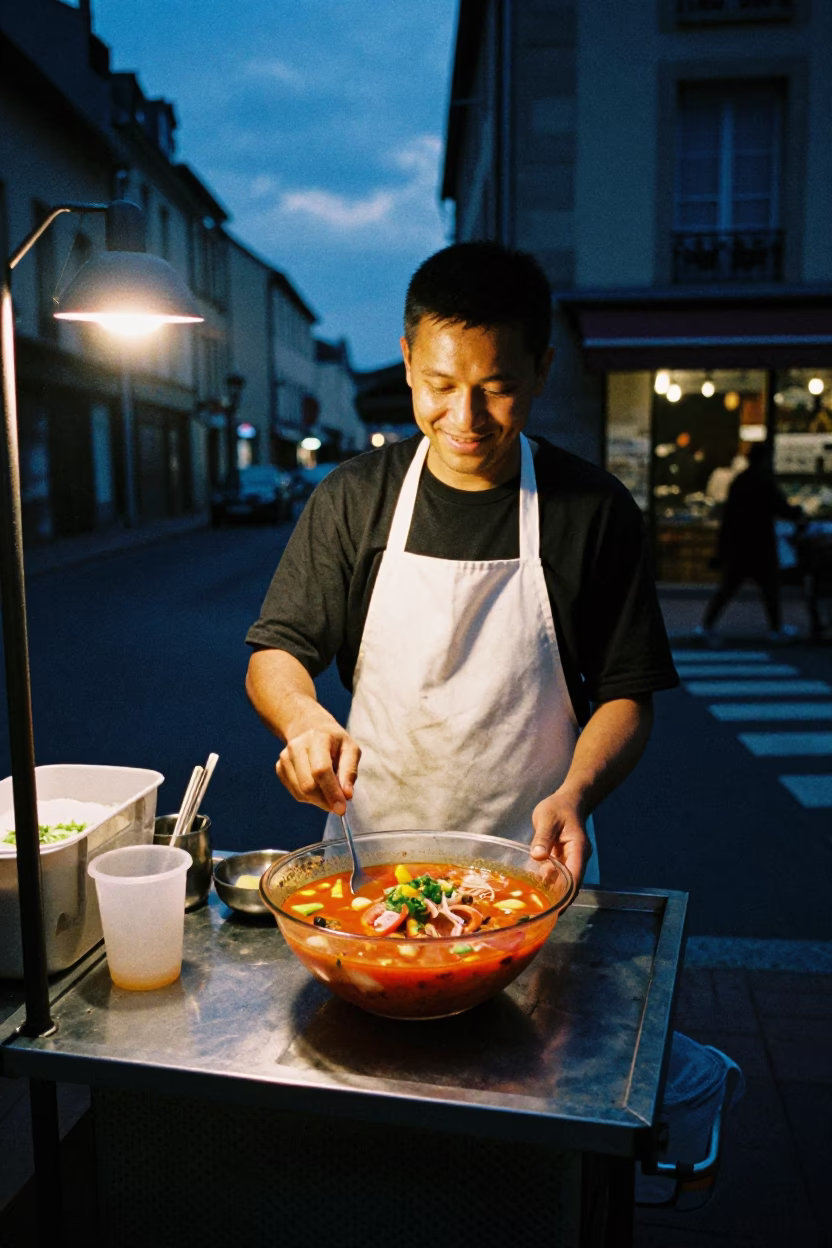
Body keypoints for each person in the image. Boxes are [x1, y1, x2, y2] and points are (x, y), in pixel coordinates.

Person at [245, 241, 679, 890]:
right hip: (372, 869)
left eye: (497, 389)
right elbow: (276, 652)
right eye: (441, 386)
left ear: (541, 370)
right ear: (409, 362)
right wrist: (304, 720)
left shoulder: (592, 509)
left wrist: (577, 795)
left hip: (532, 872)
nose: (466, 419)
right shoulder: (354, 497)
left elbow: (626, 694)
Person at [699, 439, 803, 643]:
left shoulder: (741, 480)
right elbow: (780, 507)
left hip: (740, 543)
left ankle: (706, 625)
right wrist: (797, 512)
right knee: (769, 588)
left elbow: (729, 516)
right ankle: (775, 628)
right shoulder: (764, 481)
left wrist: (723, 546)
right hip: (760, 543)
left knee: (729, 587)